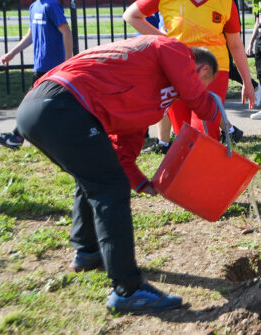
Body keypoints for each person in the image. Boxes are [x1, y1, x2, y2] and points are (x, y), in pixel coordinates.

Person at [16, 35, 224, 313]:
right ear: (203, 71)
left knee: (95, 174)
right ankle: (128, 290)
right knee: (109, 188)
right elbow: (194, 95)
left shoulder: (148, 100)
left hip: (41, 110)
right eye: (203, 82)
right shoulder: (174, 49)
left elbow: (121, 155)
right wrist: (211, 108)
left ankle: (87, 252)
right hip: (61, 103)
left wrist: (141, 182)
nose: (197, 89)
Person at [123, 0, 255, 140]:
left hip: (214, 70)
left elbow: (235, 45)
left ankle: (206, 168)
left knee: (205, 131)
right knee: (183, 131)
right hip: (176, 69)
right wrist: (165, 41)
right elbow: (131, 15)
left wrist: (247, 81)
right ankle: (190, 168)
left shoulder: (225, 1)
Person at [0, 0, 73, 149]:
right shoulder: (34, 6)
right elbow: (30, 35)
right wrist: (12, 52)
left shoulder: (51, 5)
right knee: (48, 104)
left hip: (52, 65)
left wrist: (68, 60)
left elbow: (65, 31)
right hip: (40, 64)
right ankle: (33, 137)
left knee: (32, 103)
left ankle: (16, 137)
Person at [138, 0, 176, 154]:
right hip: (165, 53)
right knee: (165, 99)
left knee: (194, 100)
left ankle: (228, 130)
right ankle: (163, 143)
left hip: (179, 56)